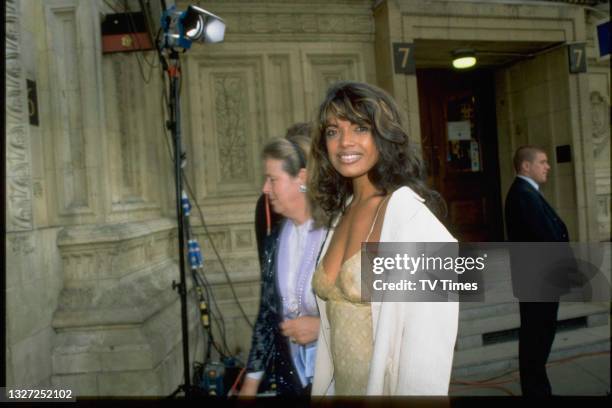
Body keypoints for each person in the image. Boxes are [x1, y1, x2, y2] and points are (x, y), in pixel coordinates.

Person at [308, 81, 459, 396]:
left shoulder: (412, 222)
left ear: (384, 136)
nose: (344, 142)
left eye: (360, 128)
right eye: (333, 131)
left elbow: (427, 360)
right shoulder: (341, 214)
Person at [241, 135, 326, 396]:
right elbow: (267, 314)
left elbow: (375, 311)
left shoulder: (337, 231)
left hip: (334, 374)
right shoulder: (275, 239)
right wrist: (250, 384)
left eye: (273, 179)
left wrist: (323, 329)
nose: (265, 189)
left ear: (301, 178)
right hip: (292, 379)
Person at [505, 146, 570, 396]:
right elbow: (546, 238)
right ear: (525, 166)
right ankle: (536, 392)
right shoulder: (522, 194)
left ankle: (537, 388)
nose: (548, 166)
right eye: (542, 162)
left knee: (540, 337)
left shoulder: (528, 192)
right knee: (536, 338)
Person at [254, 123, 313, 266]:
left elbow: (374, 284)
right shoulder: (283, 236)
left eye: (273, 179)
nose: (266, 189)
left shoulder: (341, 223)